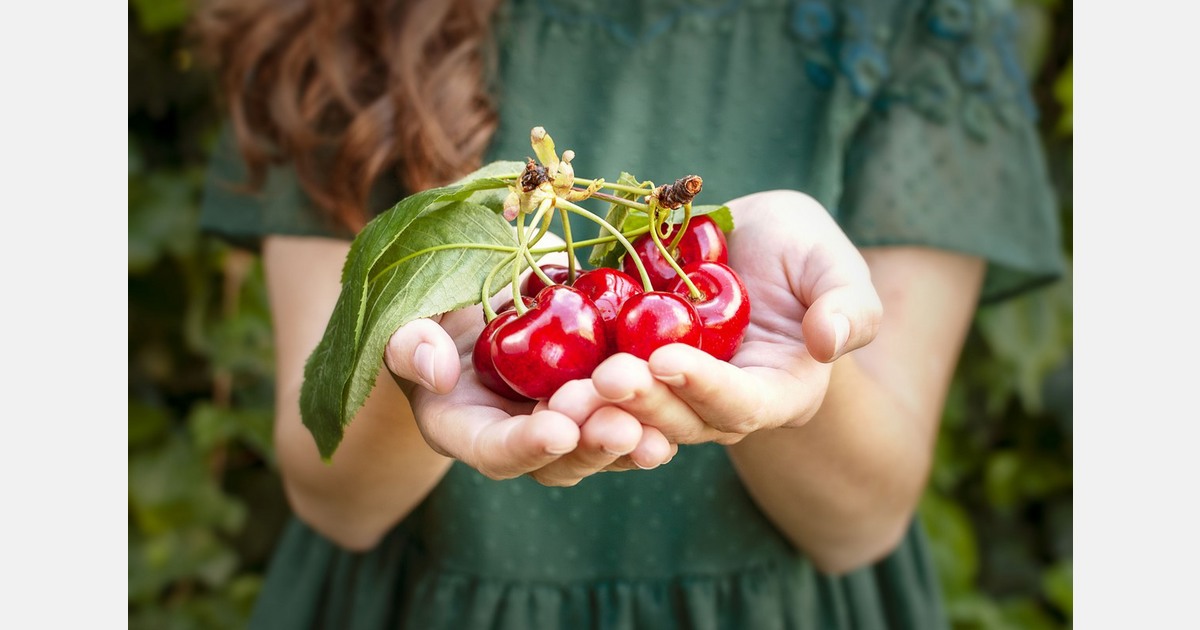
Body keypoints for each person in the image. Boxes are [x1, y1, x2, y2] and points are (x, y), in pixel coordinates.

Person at [195, 0, 1063, 627]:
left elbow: (864, 521)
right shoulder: (328, 19)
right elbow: (335, 498)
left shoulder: (920, 20)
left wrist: (800, 356)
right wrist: (415, 330)